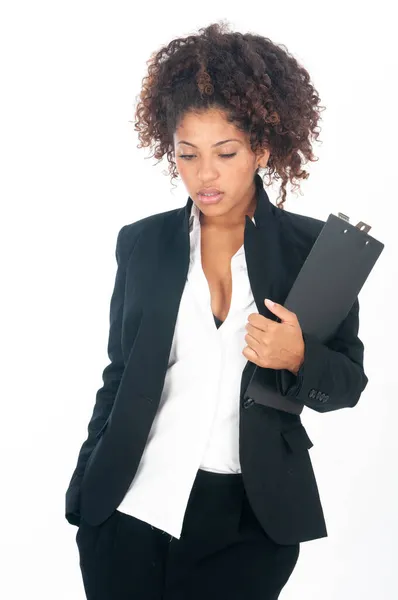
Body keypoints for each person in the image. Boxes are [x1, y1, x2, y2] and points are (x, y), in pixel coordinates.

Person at [65, 21, 368, 600]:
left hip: (250, 520)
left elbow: (349, 384)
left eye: (225, 153)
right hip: (130, 506)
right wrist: (85, 492)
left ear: (263, 147)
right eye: (187, 154)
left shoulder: (317, 253)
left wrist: (299, 356)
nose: (205, 174)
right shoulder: (142, 243)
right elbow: (119, 375)